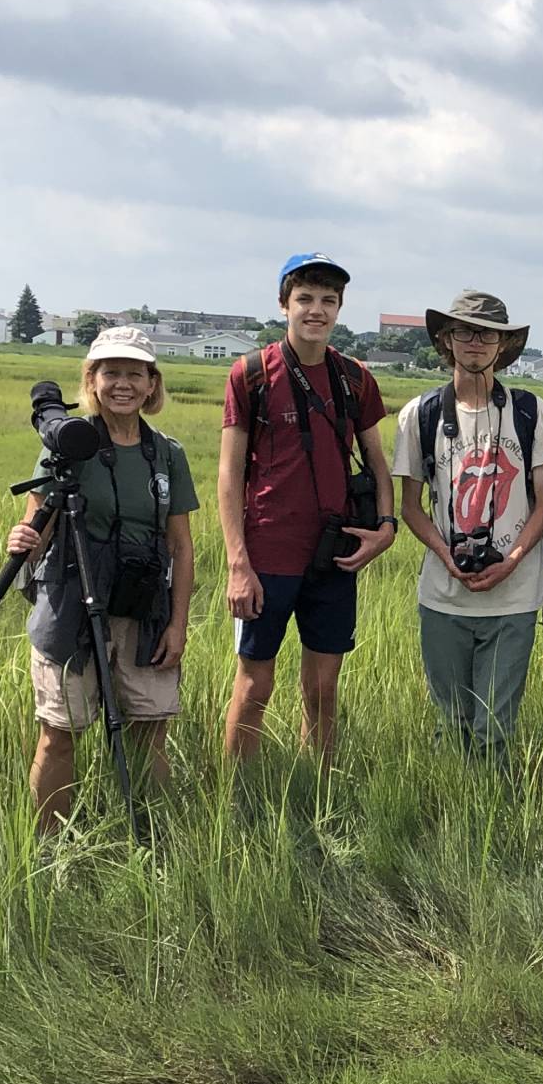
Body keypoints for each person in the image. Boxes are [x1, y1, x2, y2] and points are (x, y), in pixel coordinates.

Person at [9, 327, 197, 834]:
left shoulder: (167, 454)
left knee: (149, 728)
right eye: (111, 372)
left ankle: (153, 836)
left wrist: (178, 625)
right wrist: (23, 540)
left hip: (142, 607)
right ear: (91, 380)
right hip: (72, 604)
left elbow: (181, 546)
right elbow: (36, 528)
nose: (123, 384)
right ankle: (51, 845)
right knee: (59, 732)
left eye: (136, 374)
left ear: (152, 384)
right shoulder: (68, 444)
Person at [219, 254, 396, 770]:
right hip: (268, 549)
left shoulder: (354, 378)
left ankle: (317, 786)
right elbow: (229, 476)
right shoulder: (251, 374)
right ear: (284, 304)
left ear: (339, 308)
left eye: (327, 301)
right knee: (254, 684)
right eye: (305, 300)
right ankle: (237, 796)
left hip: (333, 552)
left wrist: (385, 527)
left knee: (322, 686)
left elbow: (378, 462)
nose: (315, 311)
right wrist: (237, 563)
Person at [392, 291, 543, 770]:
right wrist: (446, 556)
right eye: (463, 331)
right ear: (446, 340)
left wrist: (510, 561)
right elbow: (411, 507)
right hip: (444, 595)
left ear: (502, 344)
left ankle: (495, 823)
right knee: (451, 725)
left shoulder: (530, 411)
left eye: (486, 333)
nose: (475, 342)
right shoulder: (419, 414)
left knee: (494, 729)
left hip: (515, 595)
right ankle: (454, 818)